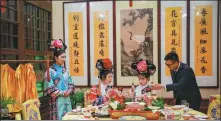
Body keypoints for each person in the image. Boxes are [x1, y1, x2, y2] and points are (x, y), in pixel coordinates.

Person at [44, 39, 75, 120]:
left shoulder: (65, 71)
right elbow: (50, 89)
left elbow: (71, 83)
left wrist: (69, 90)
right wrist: (63, 93)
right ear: (55, 57)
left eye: (65, 57)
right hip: (57, 102)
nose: (64, 59)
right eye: (62, 57)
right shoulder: (50, 71)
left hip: (67, 101)